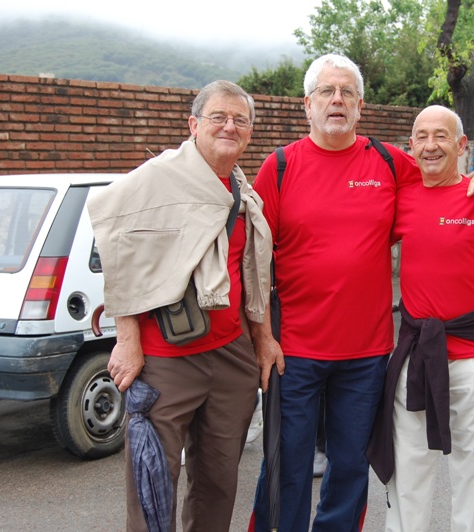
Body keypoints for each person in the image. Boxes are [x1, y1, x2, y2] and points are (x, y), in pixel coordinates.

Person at [247, 54, 474, 532]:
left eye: (346, 92)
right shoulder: (278, 167)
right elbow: (254, 264)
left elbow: (443, 173)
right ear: (307, 105)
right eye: (327, 91)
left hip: (366, 355)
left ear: (360, 106)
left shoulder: (387, 162)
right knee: (287, 464)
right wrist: (263, 338)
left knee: (350, 468)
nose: (337, 100)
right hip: (294, 352)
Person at [89, 80, 272, 531]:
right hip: (165, 360)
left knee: (218, 481)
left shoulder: (240, 188)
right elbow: (118, 249)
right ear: (193, 124)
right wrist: (127, 341)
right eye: (218, 117)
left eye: (240, 120)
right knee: (151, 482)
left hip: (231, 356)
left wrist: (262, 339)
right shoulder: (159, 176)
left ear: (249, 132)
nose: (230, 126)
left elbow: (252, 273)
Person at [366, 106, 474, 531]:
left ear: (461, 146)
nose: (430, 145)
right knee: (408, 473)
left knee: (473, 470)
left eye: (441, 136)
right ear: (411, 146)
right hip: (415, 357)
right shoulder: (403, 196)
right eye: (421, 136)